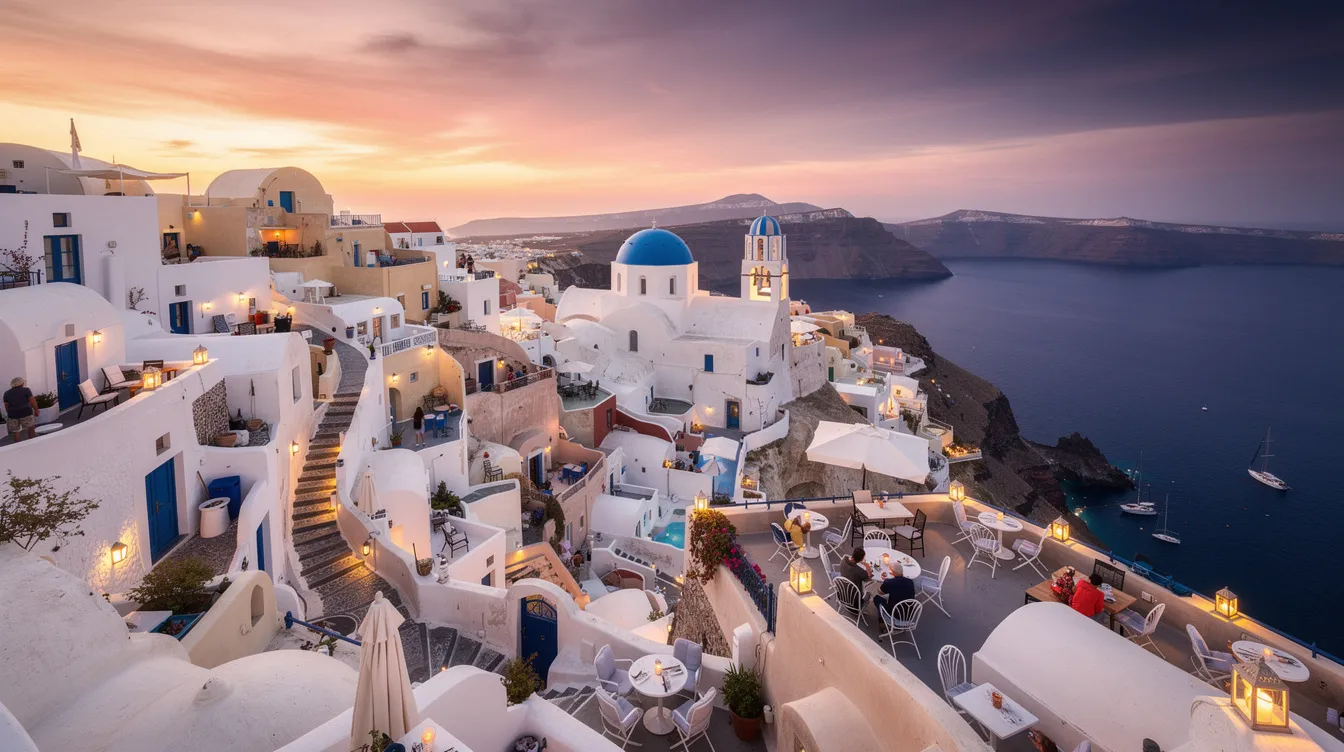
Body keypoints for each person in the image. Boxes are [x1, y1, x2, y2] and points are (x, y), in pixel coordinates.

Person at [4, 377, 38, 443]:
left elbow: (6, 406)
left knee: (16, 431)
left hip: (12, 414)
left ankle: (18, 446)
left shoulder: (6, 393)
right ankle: (33, 442)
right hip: (26, 412)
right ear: (21, 383)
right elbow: (32, 401)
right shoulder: (26, 390)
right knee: (30, 427)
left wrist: (10, 413)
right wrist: (36, 410)